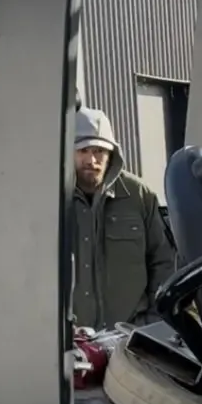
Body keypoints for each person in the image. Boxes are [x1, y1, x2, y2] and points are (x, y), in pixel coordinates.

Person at [72, 106, 175, 331]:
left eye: (99, 151)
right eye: (83, 150)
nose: (92, 160)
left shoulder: (140, 196)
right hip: (67, 347)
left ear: (111, 154)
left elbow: (164, 263)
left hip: (129, 342)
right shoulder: (50, 201)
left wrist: (152, 322)